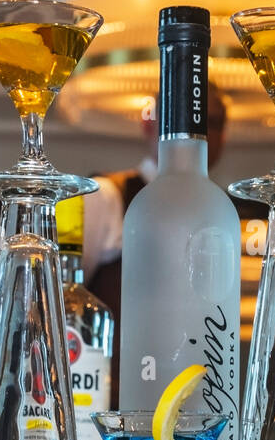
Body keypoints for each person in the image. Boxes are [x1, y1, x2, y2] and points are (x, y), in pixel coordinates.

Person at [83, 82, 228, 314]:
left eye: (211, 123)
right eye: (183, 119)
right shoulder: (107, 194)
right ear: (149, 125)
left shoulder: (220, 212)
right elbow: (60, 297)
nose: (198, 134)